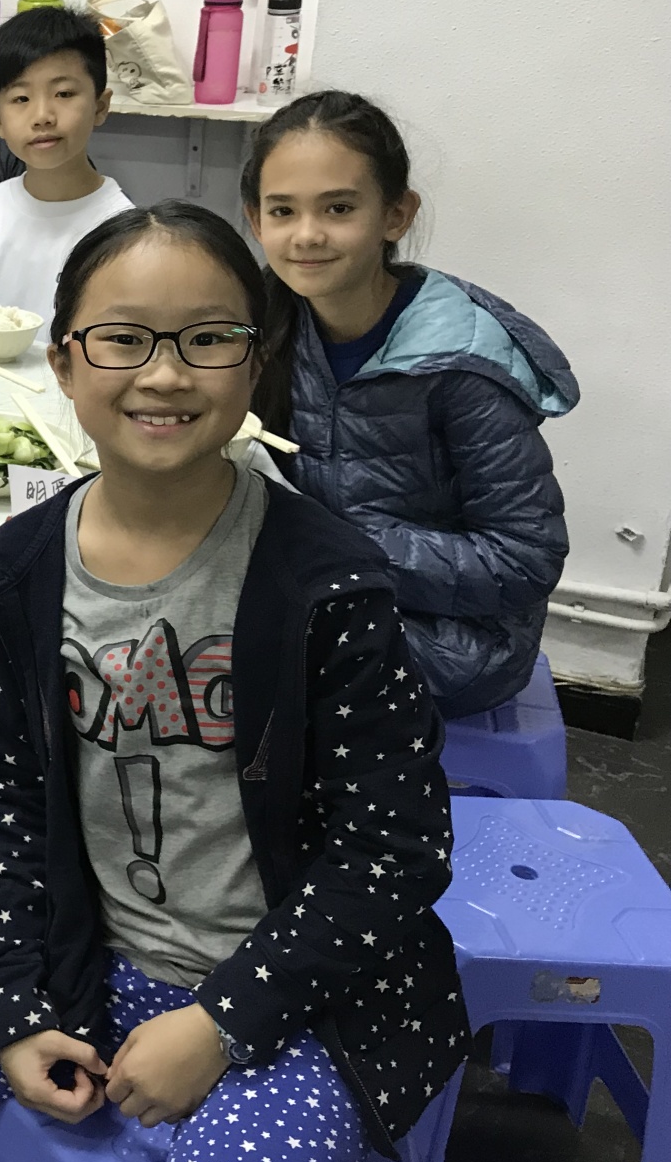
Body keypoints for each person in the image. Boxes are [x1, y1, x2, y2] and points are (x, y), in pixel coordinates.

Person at [0, 203, 466, 1162]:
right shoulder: (20, 571)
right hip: (87, 960)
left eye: (207, 339)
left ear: (257, 361)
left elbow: (396, 849)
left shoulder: (325, 582)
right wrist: (13, 1011)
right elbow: (17, 814)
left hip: (294, 993)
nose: (165, 374)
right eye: (123, 339)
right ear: (63, 365)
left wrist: (222, 1023)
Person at [243, 90, 578, 720]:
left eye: (339, 208)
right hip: (317, 590)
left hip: (455, 639)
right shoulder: (268, 320)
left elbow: (524, 559)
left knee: (213, 655)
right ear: (256, 222)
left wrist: (331, 544)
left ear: (395, 215)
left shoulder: (459, 361)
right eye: (283, 210)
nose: (307, 235)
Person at [0, 6, 133, 331]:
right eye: (21, 99)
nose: (42, 116)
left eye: (63, 93)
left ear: (100, 106)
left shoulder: (125, 233)